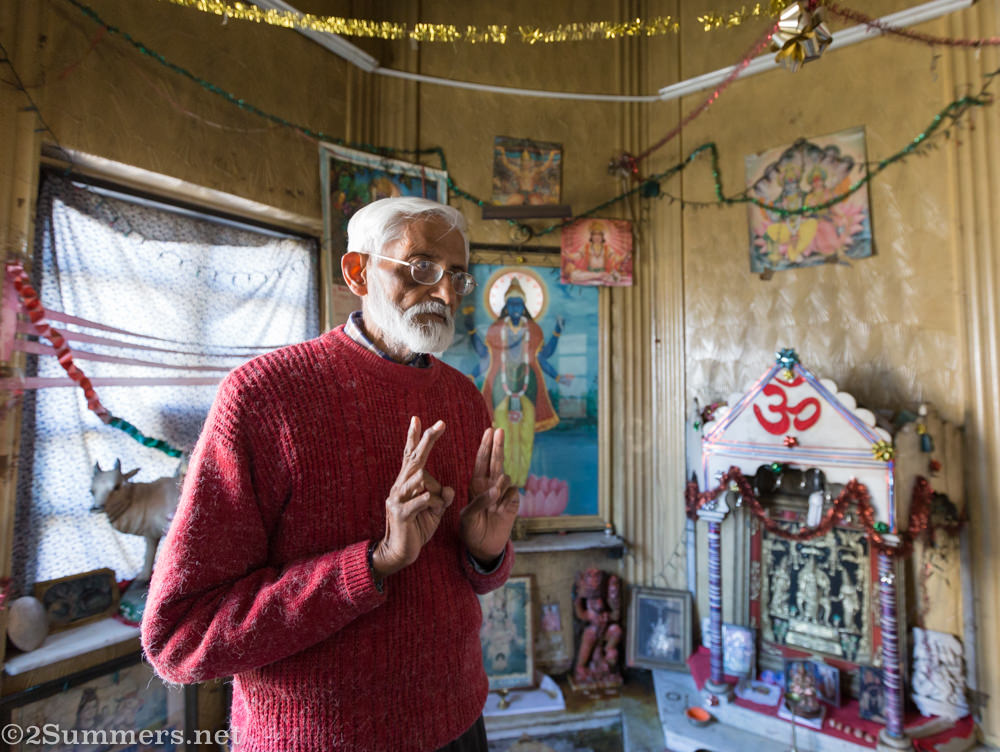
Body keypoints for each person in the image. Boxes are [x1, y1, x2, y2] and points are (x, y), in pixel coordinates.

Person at [141, 197, 520, 752]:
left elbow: (468, 581)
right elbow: (182, 638)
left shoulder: (464, 401)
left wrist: (483, 552)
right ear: (357, 271)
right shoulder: (264, 396)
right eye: (421, 269)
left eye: (457, 276)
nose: (443, 293)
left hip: (459, 724)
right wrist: (374, 563)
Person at [465, 279, 572, 488]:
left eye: (519, 304)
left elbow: (544, 356)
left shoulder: (533, 329)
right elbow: (485, 357)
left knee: (525, 436)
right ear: (506, 306)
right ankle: (503, 482)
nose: (516, 308)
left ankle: (521, 482)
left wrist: (557, 333)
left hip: (528, 384)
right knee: (502, 437)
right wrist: (470, 333)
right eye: (512, 304)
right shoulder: (496, 329)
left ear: (525, 307)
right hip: (500, 386)